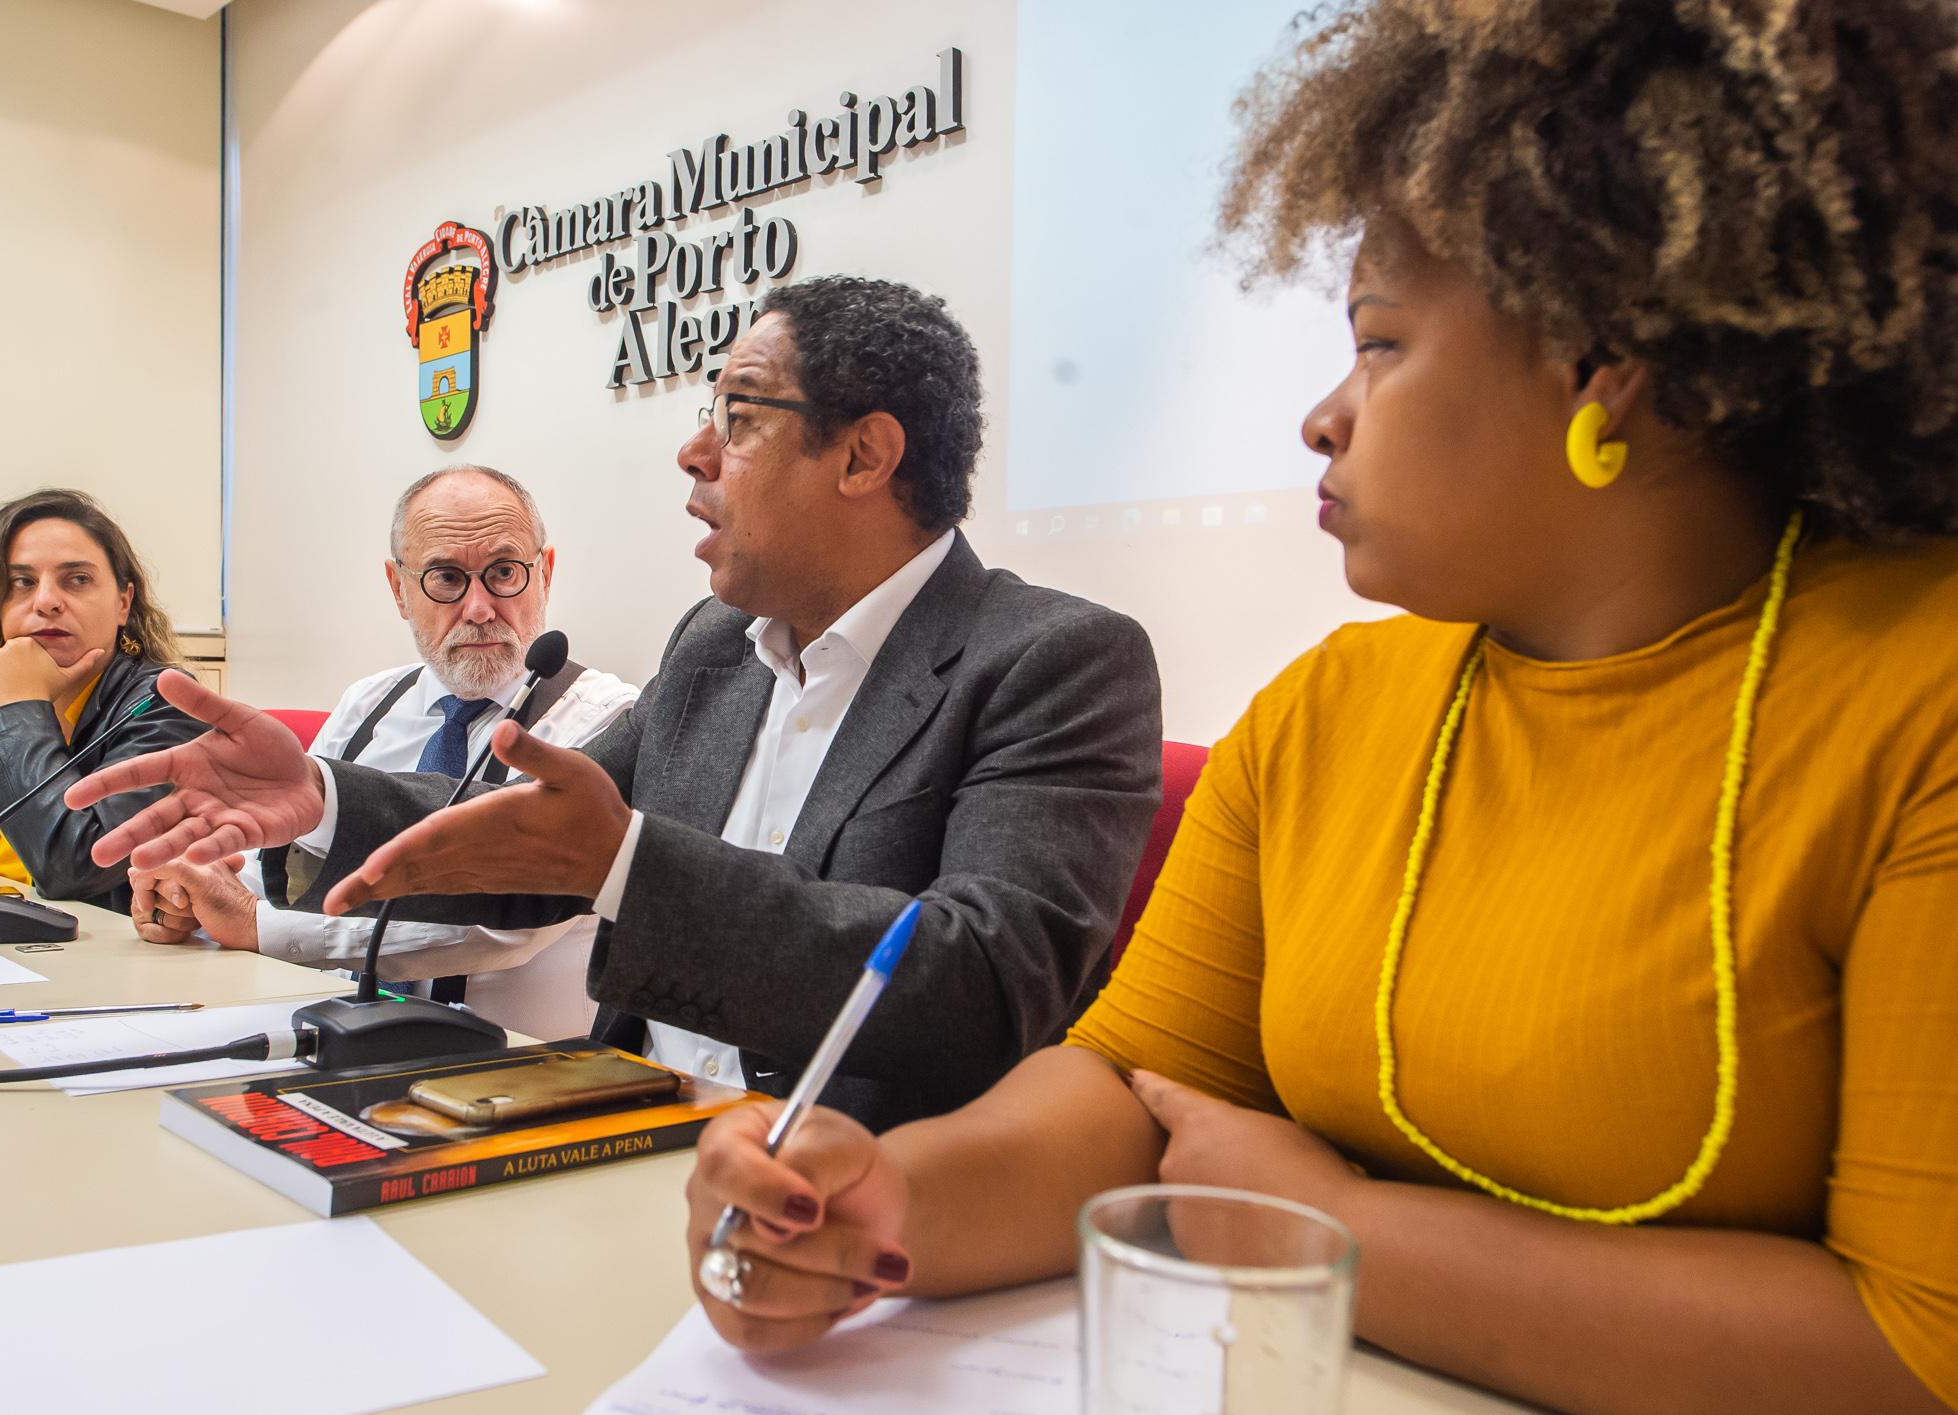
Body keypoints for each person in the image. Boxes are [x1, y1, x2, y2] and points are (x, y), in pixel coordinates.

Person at [675, 4, 1958, 1412]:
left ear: (1609, 361)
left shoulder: (1916, 697)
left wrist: (1332, 1232)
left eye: (1379, 343)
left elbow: (1914, 1343)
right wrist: (868, 1204)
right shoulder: (1327, 709)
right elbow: (1122, 1094)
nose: (1322, 416)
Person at [65, 276, 1164, 1132]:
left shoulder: (1054, 661)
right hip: (616, 1120)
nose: (691, 452)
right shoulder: (713, 646)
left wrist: (627, 861)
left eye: (736, 419)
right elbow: (532, 840)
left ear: (865, 454)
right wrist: (317, 793)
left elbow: (980, 986)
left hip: (848, 1192)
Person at [126, 465, 635, 1040]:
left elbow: (498, 926)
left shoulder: (612, 721)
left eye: (504, 572)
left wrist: (254, 924)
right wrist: (189, 888)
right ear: (398, 589)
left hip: (519, 1068)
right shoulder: (368, 703)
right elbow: (289, 869)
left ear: (544, 572)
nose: (479, 608)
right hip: (342, 1032)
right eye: (446, 578)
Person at [0, 488, 204, 912]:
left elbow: (74, 867)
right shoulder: (8, 693)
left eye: (77, 579)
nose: (46, 602)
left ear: (122, 602)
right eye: (21, 582)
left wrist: (18, 710)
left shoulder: (165, 702)